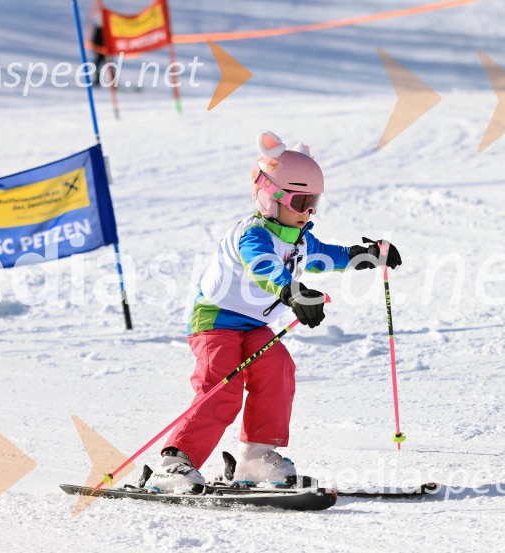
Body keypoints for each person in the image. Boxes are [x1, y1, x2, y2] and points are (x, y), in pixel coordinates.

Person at [143, 131, 403, 494]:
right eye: (300, 201)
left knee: (278, 368)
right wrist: (291, 290)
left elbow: (327, 255)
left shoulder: (299, 238)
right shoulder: (253, 234)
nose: (308, 211)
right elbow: (263, 266)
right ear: (270, 195)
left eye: (314, 202)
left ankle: (256, 457)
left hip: (254, 325)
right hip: (216, 320)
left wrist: (368, 255)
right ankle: (175, 462)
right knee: (223, 382)